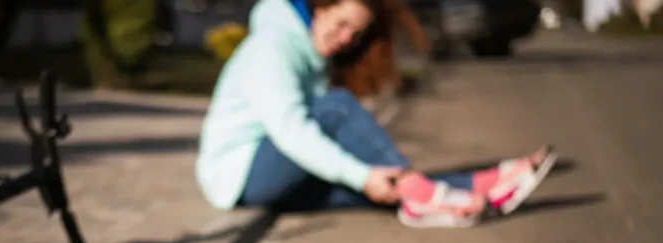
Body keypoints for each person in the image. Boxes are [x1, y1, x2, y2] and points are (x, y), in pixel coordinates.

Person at [194, 0, 557, 228]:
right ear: (320, 7)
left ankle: (480, 186)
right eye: (341, 23)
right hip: (240, 173)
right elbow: (293, 132)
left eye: (356, 32)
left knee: (375, 186)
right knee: (338, 109)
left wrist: (366, 177)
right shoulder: (273, 46)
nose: (346, 37)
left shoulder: (310, 52)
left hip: (267, 176)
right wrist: (362, 173)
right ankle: (426, 195)